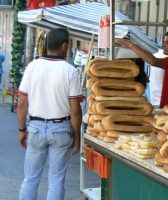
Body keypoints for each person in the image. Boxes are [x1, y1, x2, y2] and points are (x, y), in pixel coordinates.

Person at [17, 28, 82, 200]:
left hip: (36, 128)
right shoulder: (70, 71)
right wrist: (77, 138)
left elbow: (22, 104)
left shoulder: (32, 67)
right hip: (61, 129)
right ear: (64, 45)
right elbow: (75, 110)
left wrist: (22, 130)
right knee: (56, 180)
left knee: (30, 178)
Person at [116, 30, 168, 108]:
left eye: (167, 43)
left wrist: (130, 44)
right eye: (164, 42)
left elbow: (153, 61)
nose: (163, 45)